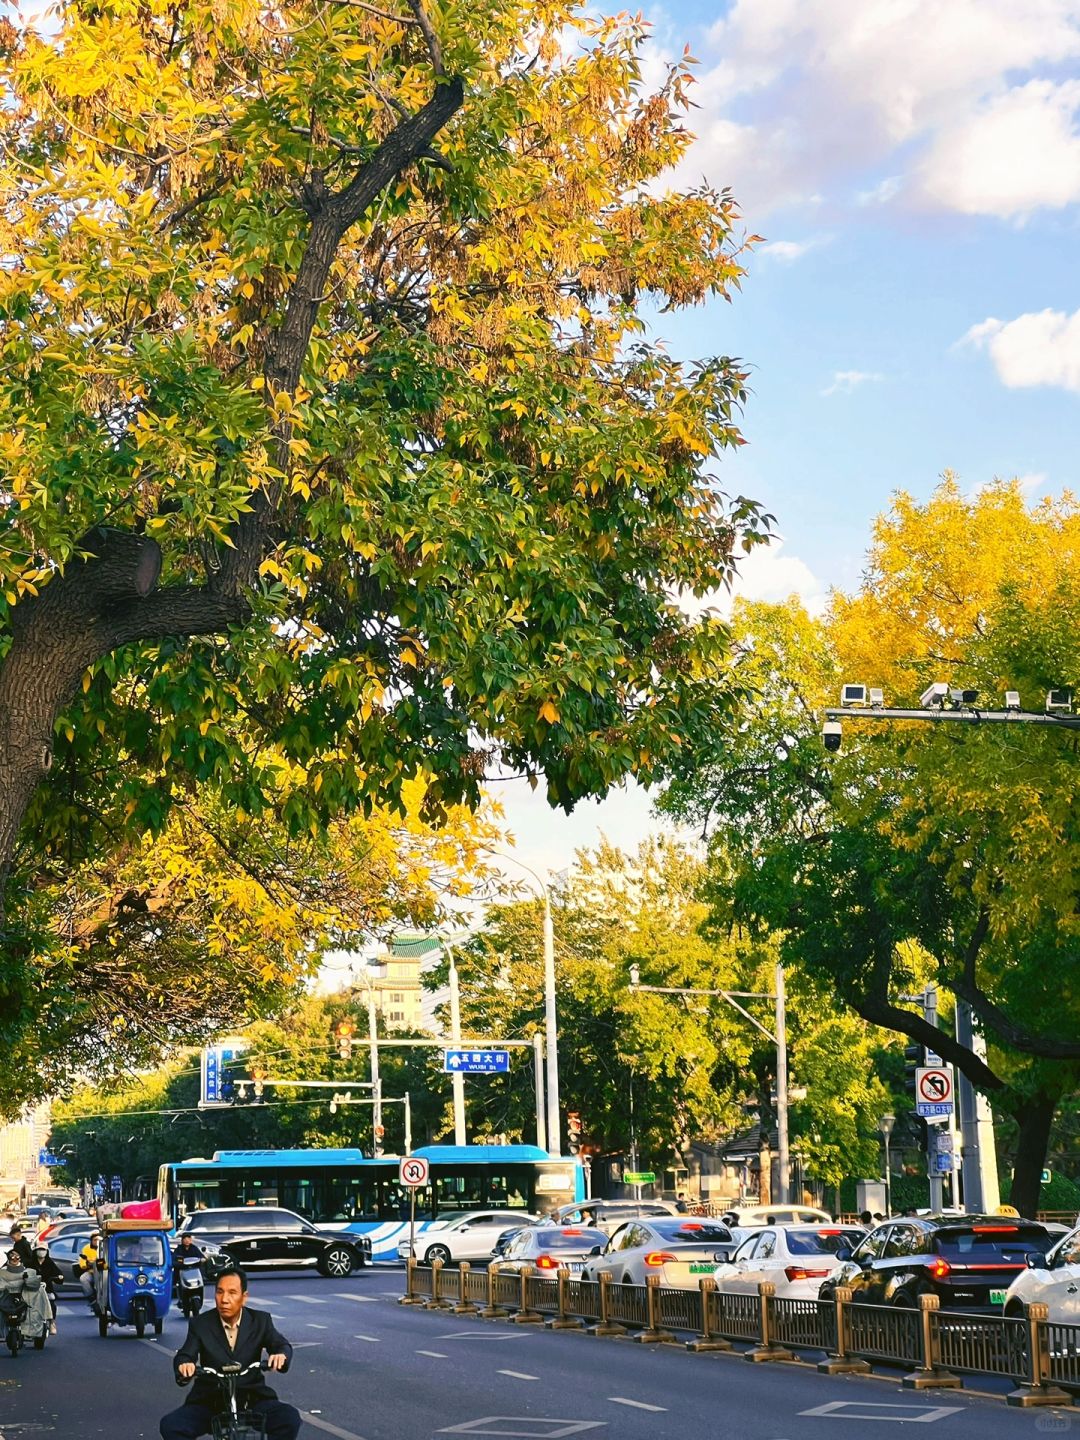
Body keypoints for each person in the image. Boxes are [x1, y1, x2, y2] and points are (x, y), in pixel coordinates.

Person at [160, 1266, 300, 1440]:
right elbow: (185, 1354)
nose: (224, 1299)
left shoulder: (260, 1321)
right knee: (171, 1426)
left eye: (232, 1293)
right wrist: (184, 1365)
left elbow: (281, 1345)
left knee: (289, 1419)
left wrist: (281, 1355)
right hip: (210, 1401)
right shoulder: (201, 1324)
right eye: (220, 1292)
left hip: (252, 1399)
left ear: (244, 1297)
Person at [30, 1242, 64, 1335]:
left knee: (51, 1302)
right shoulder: (30, 1262)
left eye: (43, 1250)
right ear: (35, 1251)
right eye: (39, 1249)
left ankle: (52, 1322)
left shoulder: (50, 1263)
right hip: (32, 1289)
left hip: (47, 1289)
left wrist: (59, 1277)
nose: (41, 1252)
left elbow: (59, 1274)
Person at [77, 1230, 102, 1312]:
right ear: (91, 1240)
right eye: (94, 1240)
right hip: (91, 1271)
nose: (96, 1242)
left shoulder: (105, 1247)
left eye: (98, 1240)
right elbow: (82, 1259)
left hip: (103, 1272)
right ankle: (91, 1298)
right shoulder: (86, 1248)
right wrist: (85, 1265)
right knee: (83, 1278)